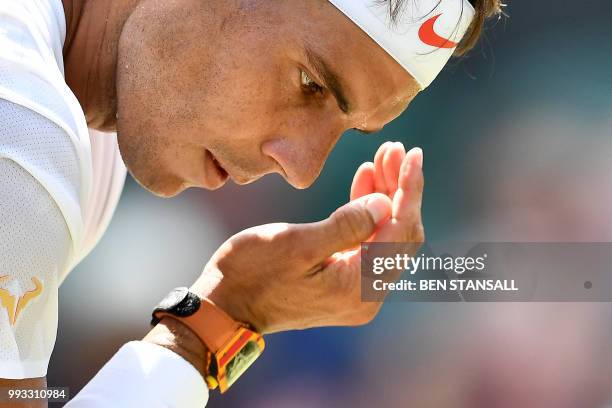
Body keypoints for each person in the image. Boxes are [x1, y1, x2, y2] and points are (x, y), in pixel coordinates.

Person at [0, 0, 502, 406]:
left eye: (347, 129)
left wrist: (222, 317)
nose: (302, 170)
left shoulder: (81, 125)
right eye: (311, 83)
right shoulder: (24, 123)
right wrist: (210, 329)